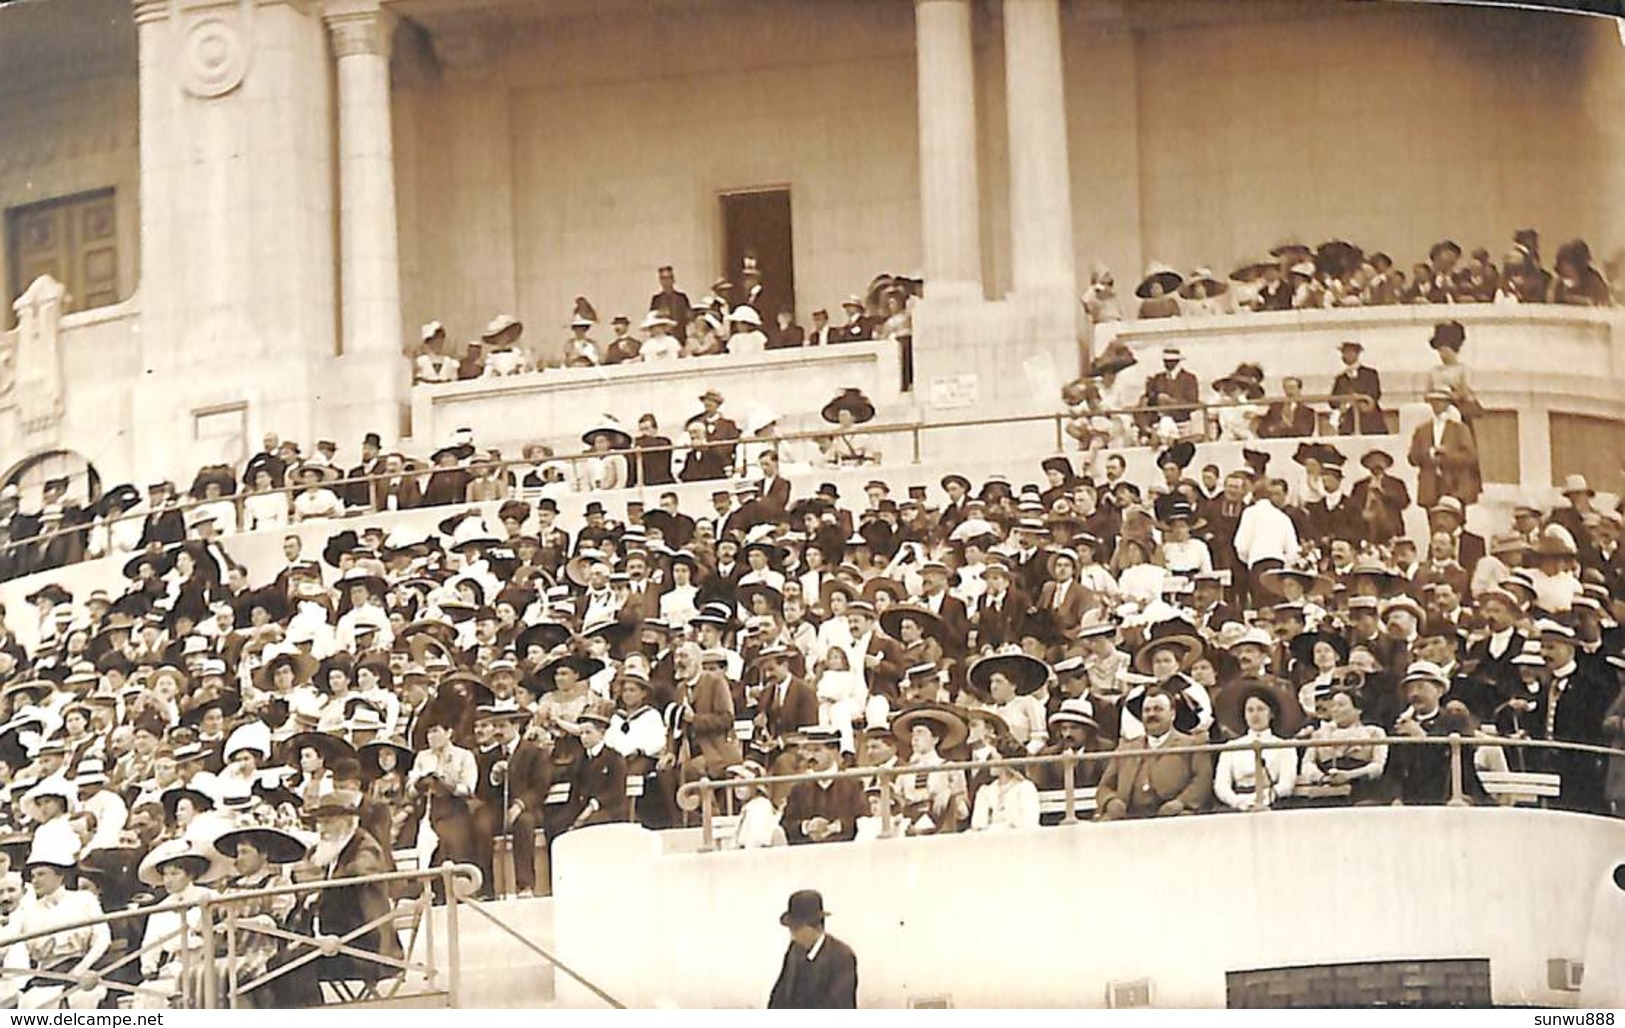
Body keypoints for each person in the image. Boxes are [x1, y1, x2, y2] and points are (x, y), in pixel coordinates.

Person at [1095, 688, 1213, 819]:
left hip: (1175, 816)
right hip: (1129, 817)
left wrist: (1181, 802)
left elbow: (1202, 781)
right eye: (1147, 710)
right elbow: (1105, 787)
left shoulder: (1192, 745)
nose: (1151, 714)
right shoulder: (1125, 749)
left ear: (1172, 714)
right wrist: (1111, 801)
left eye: (1158, 709)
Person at [767, 889, 858, 1009]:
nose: (793, 935)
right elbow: (778, 998)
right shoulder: (794, 952)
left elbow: (839, 1007)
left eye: (797, 928)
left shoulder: (842, 957)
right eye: (791, 928)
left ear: (815, 926)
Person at [1408, 388, 1482, 509]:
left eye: (1440, 401)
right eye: (1433, 402)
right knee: (1433, 521)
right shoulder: (1422, 430)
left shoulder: (1460, 429)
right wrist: (1428, 454)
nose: (1436, 405)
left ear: (1448, 404)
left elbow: (1471, 456)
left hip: (1454, 483)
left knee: (1454, 520)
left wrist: (1448, 454)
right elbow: (1412, 458)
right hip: (1430, 485)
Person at [969, 736, 1040, 831]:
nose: (989, 762)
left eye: (992, 758)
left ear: (1005, 761)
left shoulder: (1025, 788)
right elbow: (978, 824)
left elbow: (1029, 822)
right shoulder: (985, 791)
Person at [1330, 341, 1386, 435]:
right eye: (1345, 352)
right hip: (1348, 423)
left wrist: (1360, 401)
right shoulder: (1340, 379)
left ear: (1357, 354)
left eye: (1350, 352)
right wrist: (1341, 405)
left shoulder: (1370, 374)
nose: (1347, 355)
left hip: (1370, 422)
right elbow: (1332, 400)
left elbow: (1375, 393)